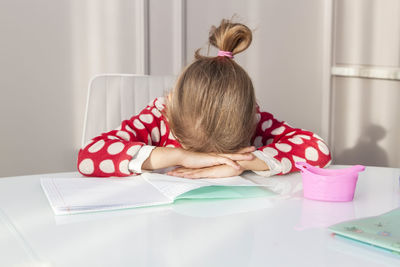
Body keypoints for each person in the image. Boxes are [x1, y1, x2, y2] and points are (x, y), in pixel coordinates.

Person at [77, 19, 331, 179]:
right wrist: (180, 156)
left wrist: (243, 163)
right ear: (171, 105)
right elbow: (89, 156)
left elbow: (318, 149)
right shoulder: (158, 116)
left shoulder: (253, 119)